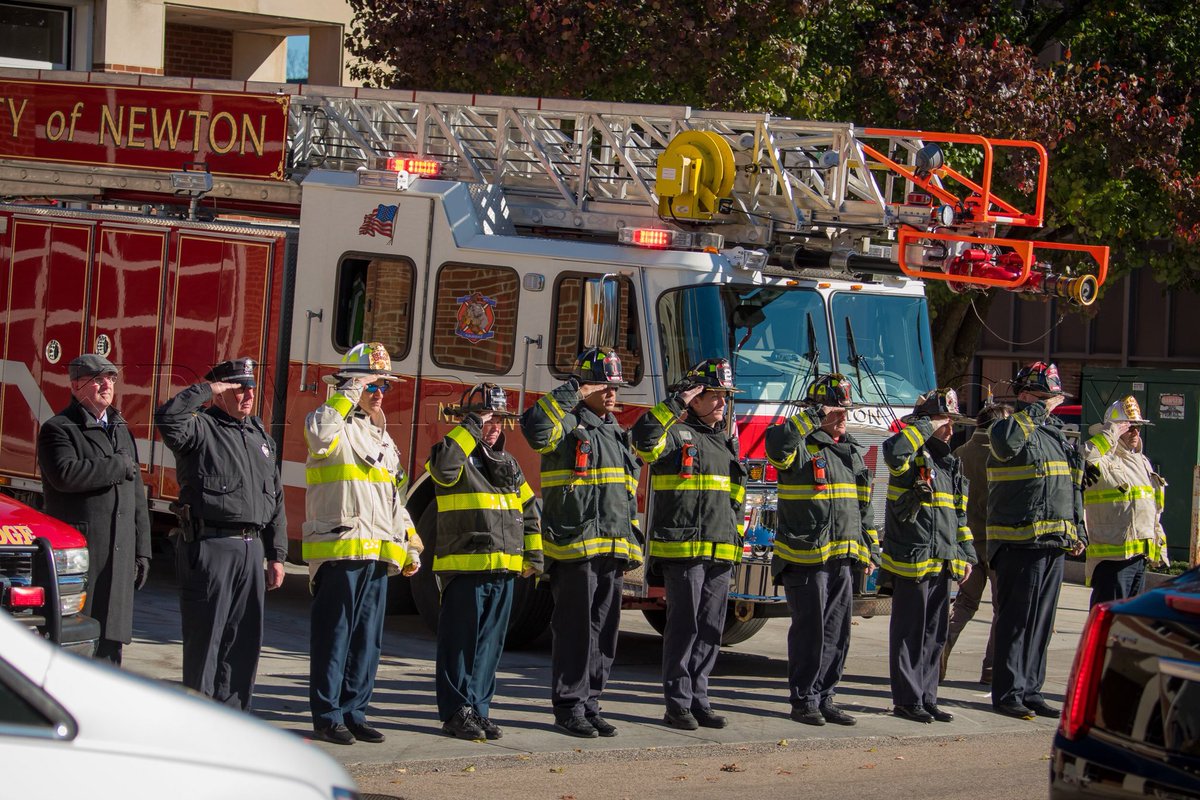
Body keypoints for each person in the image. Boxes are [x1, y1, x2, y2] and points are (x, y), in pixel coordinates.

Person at [302, 343, 421, 745]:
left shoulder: (383, 438)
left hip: (377, 554)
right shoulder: (333, 424)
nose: (378, 393)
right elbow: (318, 435)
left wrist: (411, 545)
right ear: (351, 383)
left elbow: (394, 499)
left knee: (367, 642)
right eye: (372, 385)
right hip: (340, 550)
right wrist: (350, 390)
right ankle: (327, 715)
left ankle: (354, 712)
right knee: (334, 638)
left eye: (383, 386)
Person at [520, 346, 641, 739]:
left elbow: (626, 492)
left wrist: (632, 542)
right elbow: (535, 428)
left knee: (604, 631)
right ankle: (569, 705)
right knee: (574, 631)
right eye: (603, 385)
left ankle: (591, 703)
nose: (611, 393)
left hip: (611, 547)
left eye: (615, 387)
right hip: (574, 546)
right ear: (585, 385)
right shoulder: (566, 422)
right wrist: (572, 389)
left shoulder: (615, 432)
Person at [155, 357, 287, 710]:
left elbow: (275, 498)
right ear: (221, 392)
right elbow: (167, 418)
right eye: (238, 387)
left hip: (251, 547)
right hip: (211, 544)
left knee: (244, 641)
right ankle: (200, 718)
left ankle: (234, 718)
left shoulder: (259, 435)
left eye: (251, 387)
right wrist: (206, 389)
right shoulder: (200, 428)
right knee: (207, 640)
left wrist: (277, 554)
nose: (247, 394)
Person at [632, 358, 745, 731]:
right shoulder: (675, 435)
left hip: (720, 552)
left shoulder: (726, 442)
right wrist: (675, 403)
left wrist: (736, 538)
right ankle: (677, 704)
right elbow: (643, 438)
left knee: (711, 629)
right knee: (684, 629)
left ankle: (700, 699)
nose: (722, 404)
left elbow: (735, 497)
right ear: (694, 399)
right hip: (684, 552)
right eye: (714, 396)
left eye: (725, 398)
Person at [427, 383, 543, 740]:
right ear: (470, 421)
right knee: (460, 645)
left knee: (490, 647)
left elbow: (529, 510)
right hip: (466, 569)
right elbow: (442, 469)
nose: (494, 428)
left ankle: (478, 709)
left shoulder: (507, 463)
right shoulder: (454, 454)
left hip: (504, 570)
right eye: (488, 420)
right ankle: (456, 711)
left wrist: (534, 556)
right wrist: (472, 425)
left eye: (499, 421)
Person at [764, 373, 876, 727]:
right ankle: (804, 700)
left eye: (846, 411)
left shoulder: (850, 452)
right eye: (836, 411)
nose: (844, 417)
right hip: (805, 559)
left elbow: (863, 506)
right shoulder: (797, 444)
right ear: (817, 410)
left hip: (843, 559)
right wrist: (813, 415)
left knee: (837, 632)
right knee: (809, 632)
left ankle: (826, 696)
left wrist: (869, 547)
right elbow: (776, 447)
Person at [986, 361, 1086, 720]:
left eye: (1053, 398)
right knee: (1016, 621)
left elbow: (1072, 485)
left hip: (1053, 541)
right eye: (1045, 397)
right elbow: (1004, 445)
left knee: (1042, 623)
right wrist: (1034, 411)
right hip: (1018, 542)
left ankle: (1031, 689)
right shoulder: (1007, 428)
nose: (1052, 404)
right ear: (1026, 396)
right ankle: (1008, 692)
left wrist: (1077, 530)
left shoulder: (1056, 435)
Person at [38, 354, 151, 664]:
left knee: (110, 650)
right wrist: (117, 466)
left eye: (111, 379)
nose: (107, 385)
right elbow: (66, 475)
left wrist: (142, 551)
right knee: (78, 647)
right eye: (98, 379)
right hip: (84, 555)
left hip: (119, 556)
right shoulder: (59, 429)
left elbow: (136, 497)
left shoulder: (120, 428)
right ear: (76, 385)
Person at [881, 388, 976, 724]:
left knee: (935, 633)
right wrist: (924, 425)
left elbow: (958, 516)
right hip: (914, 559)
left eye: (952, 422)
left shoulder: (949, 464)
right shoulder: (909, 452)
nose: (951, 429)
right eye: (944, 422)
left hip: (943, 559)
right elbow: (892, 453)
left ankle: (927, 696)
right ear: (927, 423)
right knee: (910, 631)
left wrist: (966, 554)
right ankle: (907, 700)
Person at [942, 402, 1013, 685]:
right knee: (1001, 608)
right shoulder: (1007, 453)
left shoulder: (960, 454)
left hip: (968, 542)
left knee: (964, 605)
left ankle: (937, 660)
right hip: (999, 543)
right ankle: (991, 669)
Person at [1081, 396, 1168, 606]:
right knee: (1108, 623)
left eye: (1137, 427)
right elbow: (1084, 458)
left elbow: (1152, 509)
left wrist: (1159, 547)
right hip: (1112, 560)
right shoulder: (1103, 460)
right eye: (1129, 428)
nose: (1135, 432)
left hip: (1139, 557)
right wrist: (1110, 432)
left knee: (1127, 626)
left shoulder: (1141, 461)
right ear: (1115, 430)